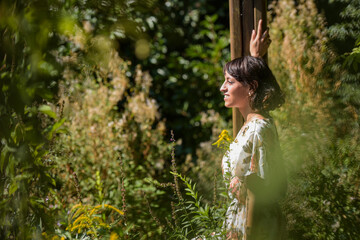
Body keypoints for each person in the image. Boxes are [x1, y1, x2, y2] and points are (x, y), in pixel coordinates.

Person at [220, 20, 287, 240]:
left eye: (229, 81)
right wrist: (255, 58)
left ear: (251, 87)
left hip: (251, 228)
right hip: (236, 224)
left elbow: (260, 191)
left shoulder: (259, 128)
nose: (223, 87)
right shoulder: (248, 126)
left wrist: (248, 233)